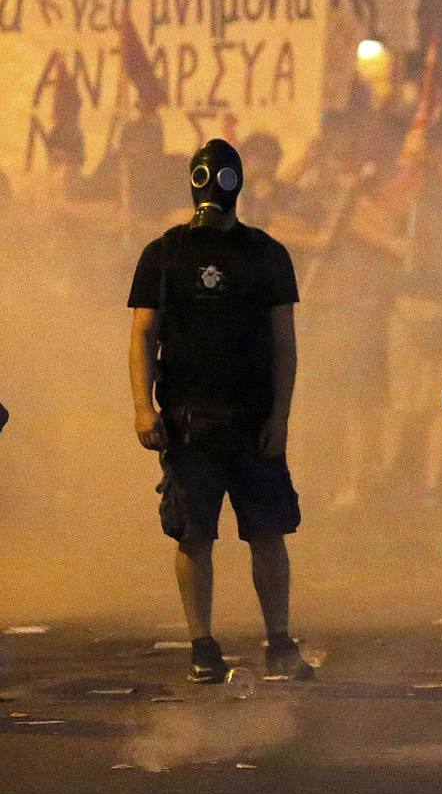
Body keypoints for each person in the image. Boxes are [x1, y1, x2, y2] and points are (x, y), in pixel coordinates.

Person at [128, 138, 314, 682]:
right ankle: (201, 645)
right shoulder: (162, 255)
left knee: (267, 532)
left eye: (221, 177)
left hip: (252, 420)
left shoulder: (267, 255)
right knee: (193, 534)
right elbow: (142, 335)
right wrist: (144, 408)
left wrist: (280, 417)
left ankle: (279, 641)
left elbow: (284, 343)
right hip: (188, 421)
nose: (215, 187)